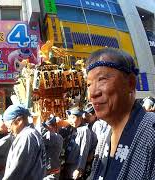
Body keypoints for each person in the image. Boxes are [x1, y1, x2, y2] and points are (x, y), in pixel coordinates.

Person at [87, 48, 155, 180]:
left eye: (102, 79)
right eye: (89, 84)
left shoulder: (151, 131)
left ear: (130, 83)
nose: (93, 93)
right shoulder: (106, 134)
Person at [1, 104, 45, 180]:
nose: (9, 130)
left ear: (19, 121)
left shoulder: (26, 136)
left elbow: (17, 170)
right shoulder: (32, 133)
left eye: (9, 126)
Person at [62, 107, 91, 180]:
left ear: (80, 118)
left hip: (75, 165)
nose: (71, 121)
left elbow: (84, 150)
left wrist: (79, 168)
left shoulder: (85, 130)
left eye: (73, 118)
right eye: (70, 118)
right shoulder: (72, 128)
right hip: (67, 164)